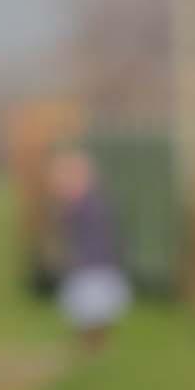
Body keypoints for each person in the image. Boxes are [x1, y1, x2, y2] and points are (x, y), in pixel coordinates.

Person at [48, 143, 131, 351]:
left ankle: (94, 344)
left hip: (93, 264)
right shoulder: (89, 203)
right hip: (91, 264)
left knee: (92, 306)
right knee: (87, 308)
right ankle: (91, 343)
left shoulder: (89, 205)